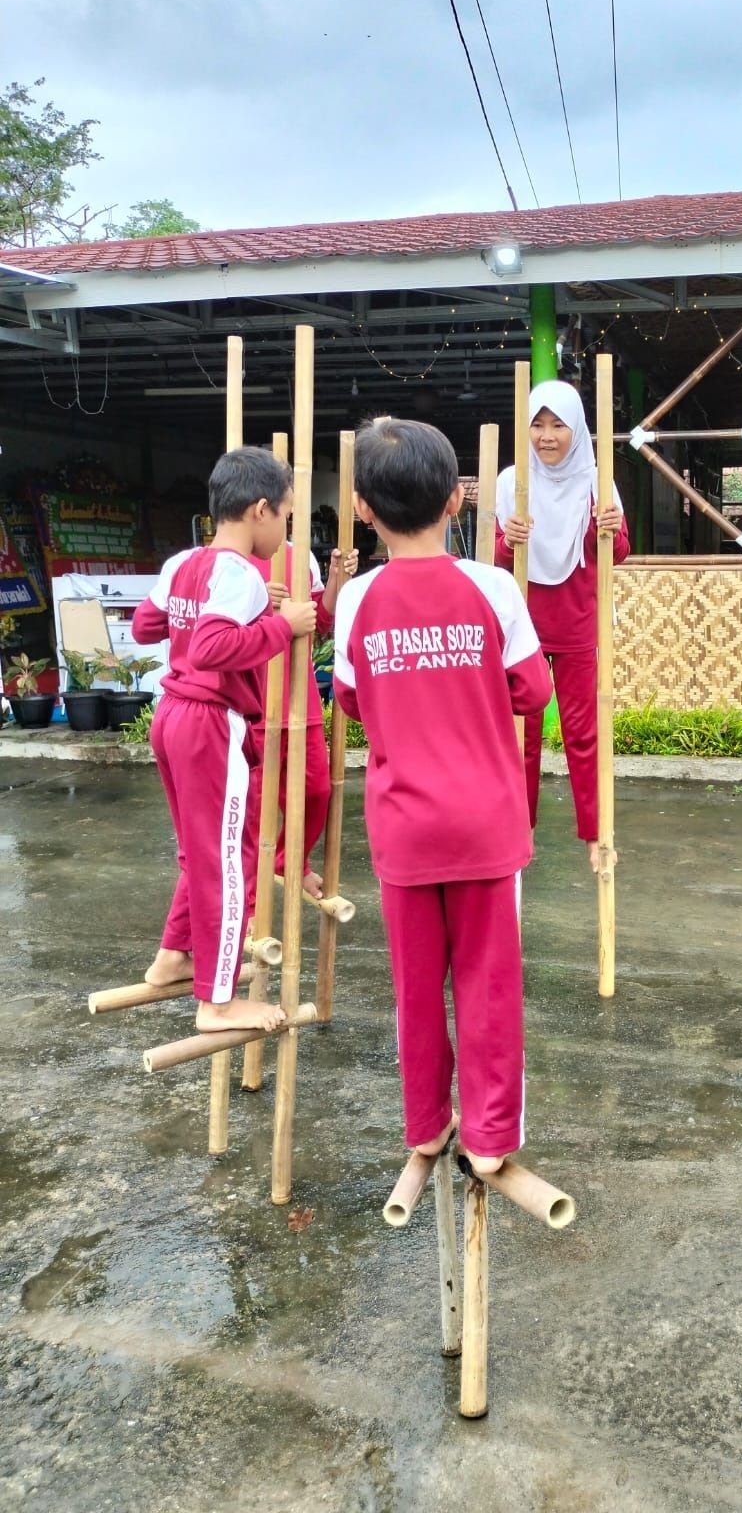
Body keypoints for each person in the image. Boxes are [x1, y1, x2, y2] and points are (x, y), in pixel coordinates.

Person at [333, 418, 551, 1175]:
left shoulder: (355, 601)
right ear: (458, 501)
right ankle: (490, 1138)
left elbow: (352, 701)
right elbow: (533, 691)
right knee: (490, 986)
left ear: (363, 509)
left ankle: (425, 1126)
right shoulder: (492, 587)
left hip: (405, 829)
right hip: (487, 826)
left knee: (415, 988)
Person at [132, 447, 317, 1033]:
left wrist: (214, 622)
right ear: (260, 510)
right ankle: (215, 999)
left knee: (199, 849)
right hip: (210, 722)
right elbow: (213, 646)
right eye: (285, 516)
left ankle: (172, 959)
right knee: (227, 857)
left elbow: (146, 626)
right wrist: (279, 626)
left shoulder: (186, 561)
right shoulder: (239, 572)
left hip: (172, 714)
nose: (284, 530)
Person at [495, 380, 630, 871]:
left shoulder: (598, 479)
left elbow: (616, 555)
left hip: (578, 618)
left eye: (557, 425)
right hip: (524, 622)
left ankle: (595, 834)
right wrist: (508, 539)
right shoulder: (512, 481)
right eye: (537, 424)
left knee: (583, 731)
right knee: (520, 730)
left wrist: (606, 528)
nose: (546, 436)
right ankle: (519, 829)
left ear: (577, 428)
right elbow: (495, 561)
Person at [249, 542, 359, 898]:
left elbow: (322, 621)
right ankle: (248, 902)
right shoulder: (229, 560)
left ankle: (291, 862)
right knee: (252, 810)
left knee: (316, 792)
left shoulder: (299, 556)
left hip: (300, 700)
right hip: (252, 702)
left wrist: (336, 580)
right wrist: (255, 599)